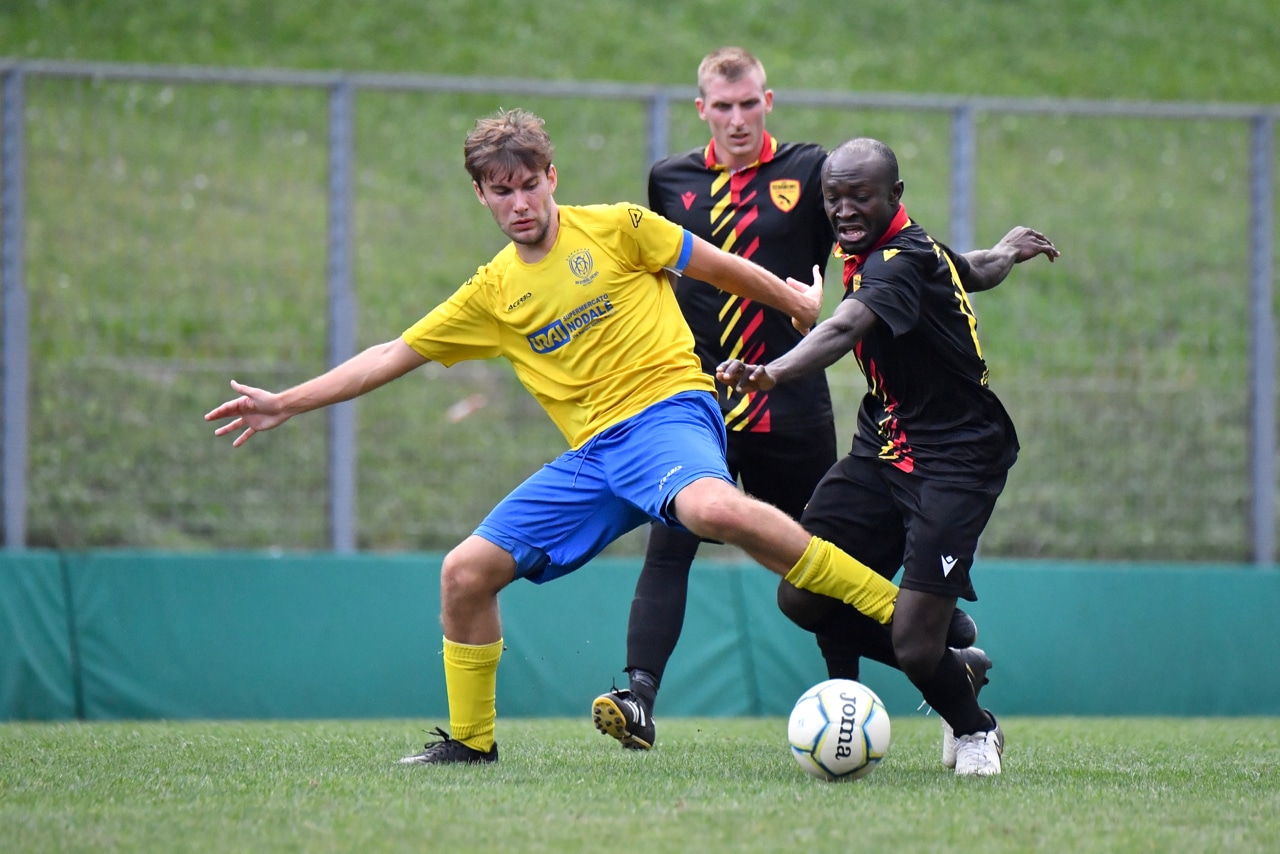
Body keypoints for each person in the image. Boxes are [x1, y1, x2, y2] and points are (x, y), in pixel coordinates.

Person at [205, 109, 910, 766]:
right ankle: (471, 743)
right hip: (596, 457)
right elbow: (392, 353)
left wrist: (794, 302)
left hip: (668, 412)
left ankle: (897, 610)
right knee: (464, 573)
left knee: (712, 508)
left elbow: (716, 265)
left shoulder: (619, 227)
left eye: (528, 185)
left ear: (551, 178)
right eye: (501, 191)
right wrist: (285, 403)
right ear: (481, 196)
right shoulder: (492, 292)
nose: (519, 203)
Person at [592, 46, 976, 752]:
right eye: (723, 106)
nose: (737, 119)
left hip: (789, 403)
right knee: (668, 548)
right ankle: (638, 696)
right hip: (699, 404)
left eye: (749, 104)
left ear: (767, 102)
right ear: (702, 109)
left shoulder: (813, 172)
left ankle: (850, 704)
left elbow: (894, 243)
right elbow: (659, 274)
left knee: (821, 565)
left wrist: (974, 266)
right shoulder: (669, 180)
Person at [720, 137, 1059, 776]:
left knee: (913, 643)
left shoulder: (897, 262)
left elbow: (843, 327)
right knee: (805, 592)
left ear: (894, 196)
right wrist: (1006, 252)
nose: (844, 209)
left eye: (860, 196)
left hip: (957, 459)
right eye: (833, 197)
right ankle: (944, 658)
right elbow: (970, 270)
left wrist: (773, 373)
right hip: (885, 446)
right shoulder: (901, 247)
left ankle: (974, 729)